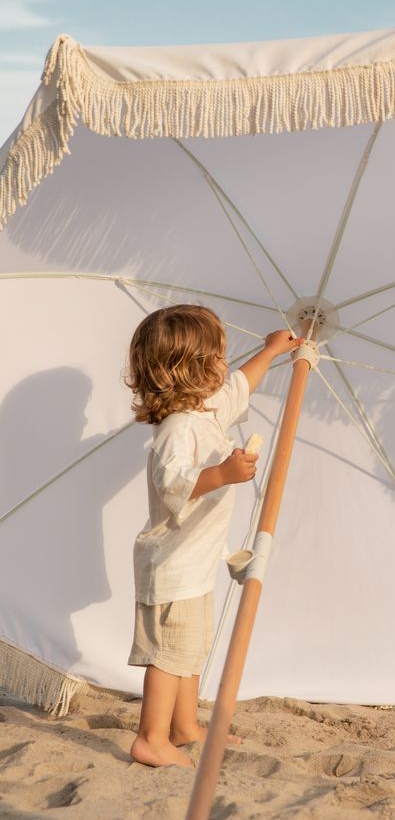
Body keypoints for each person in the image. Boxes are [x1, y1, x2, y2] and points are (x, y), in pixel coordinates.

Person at [124, 303, 302, 767]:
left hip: (195, 563)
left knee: (189, 648)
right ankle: (150, 737)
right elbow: (172, 485)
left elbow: (239, 386)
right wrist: (222, 473)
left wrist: (271, 351)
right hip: (172, 565)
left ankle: (184, 727)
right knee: (168, 655)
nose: (225, 365)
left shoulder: (204, 411)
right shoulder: (177, 430)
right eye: (218, 357)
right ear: (191, 370)